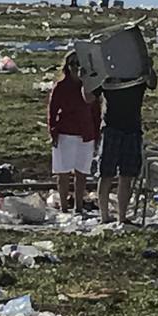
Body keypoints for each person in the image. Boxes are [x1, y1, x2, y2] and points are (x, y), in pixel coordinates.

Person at [86, 61, 158, 225]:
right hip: (112, 127)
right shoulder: (108, 71)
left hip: (132, 127)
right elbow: (88, 96)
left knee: (127, 174)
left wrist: (148, 66)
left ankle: (122, 216)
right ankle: (104, 216)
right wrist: (89, 76)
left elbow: (152, 83)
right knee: (106, 174)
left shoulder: (137, 71)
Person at [48, 51, 102, 215]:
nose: (76, 69)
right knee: (63, 173)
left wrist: (97, 134)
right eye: (73, 64)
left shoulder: (89, 88)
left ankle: (78, 206)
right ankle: (64, 207)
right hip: (65, 133)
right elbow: (52, 111)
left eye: (79, 65)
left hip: (85, 133)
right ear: (67, 67)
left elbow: (96, 112)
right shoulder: (61, 87)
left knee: (82, 172)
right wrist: (53, 132)